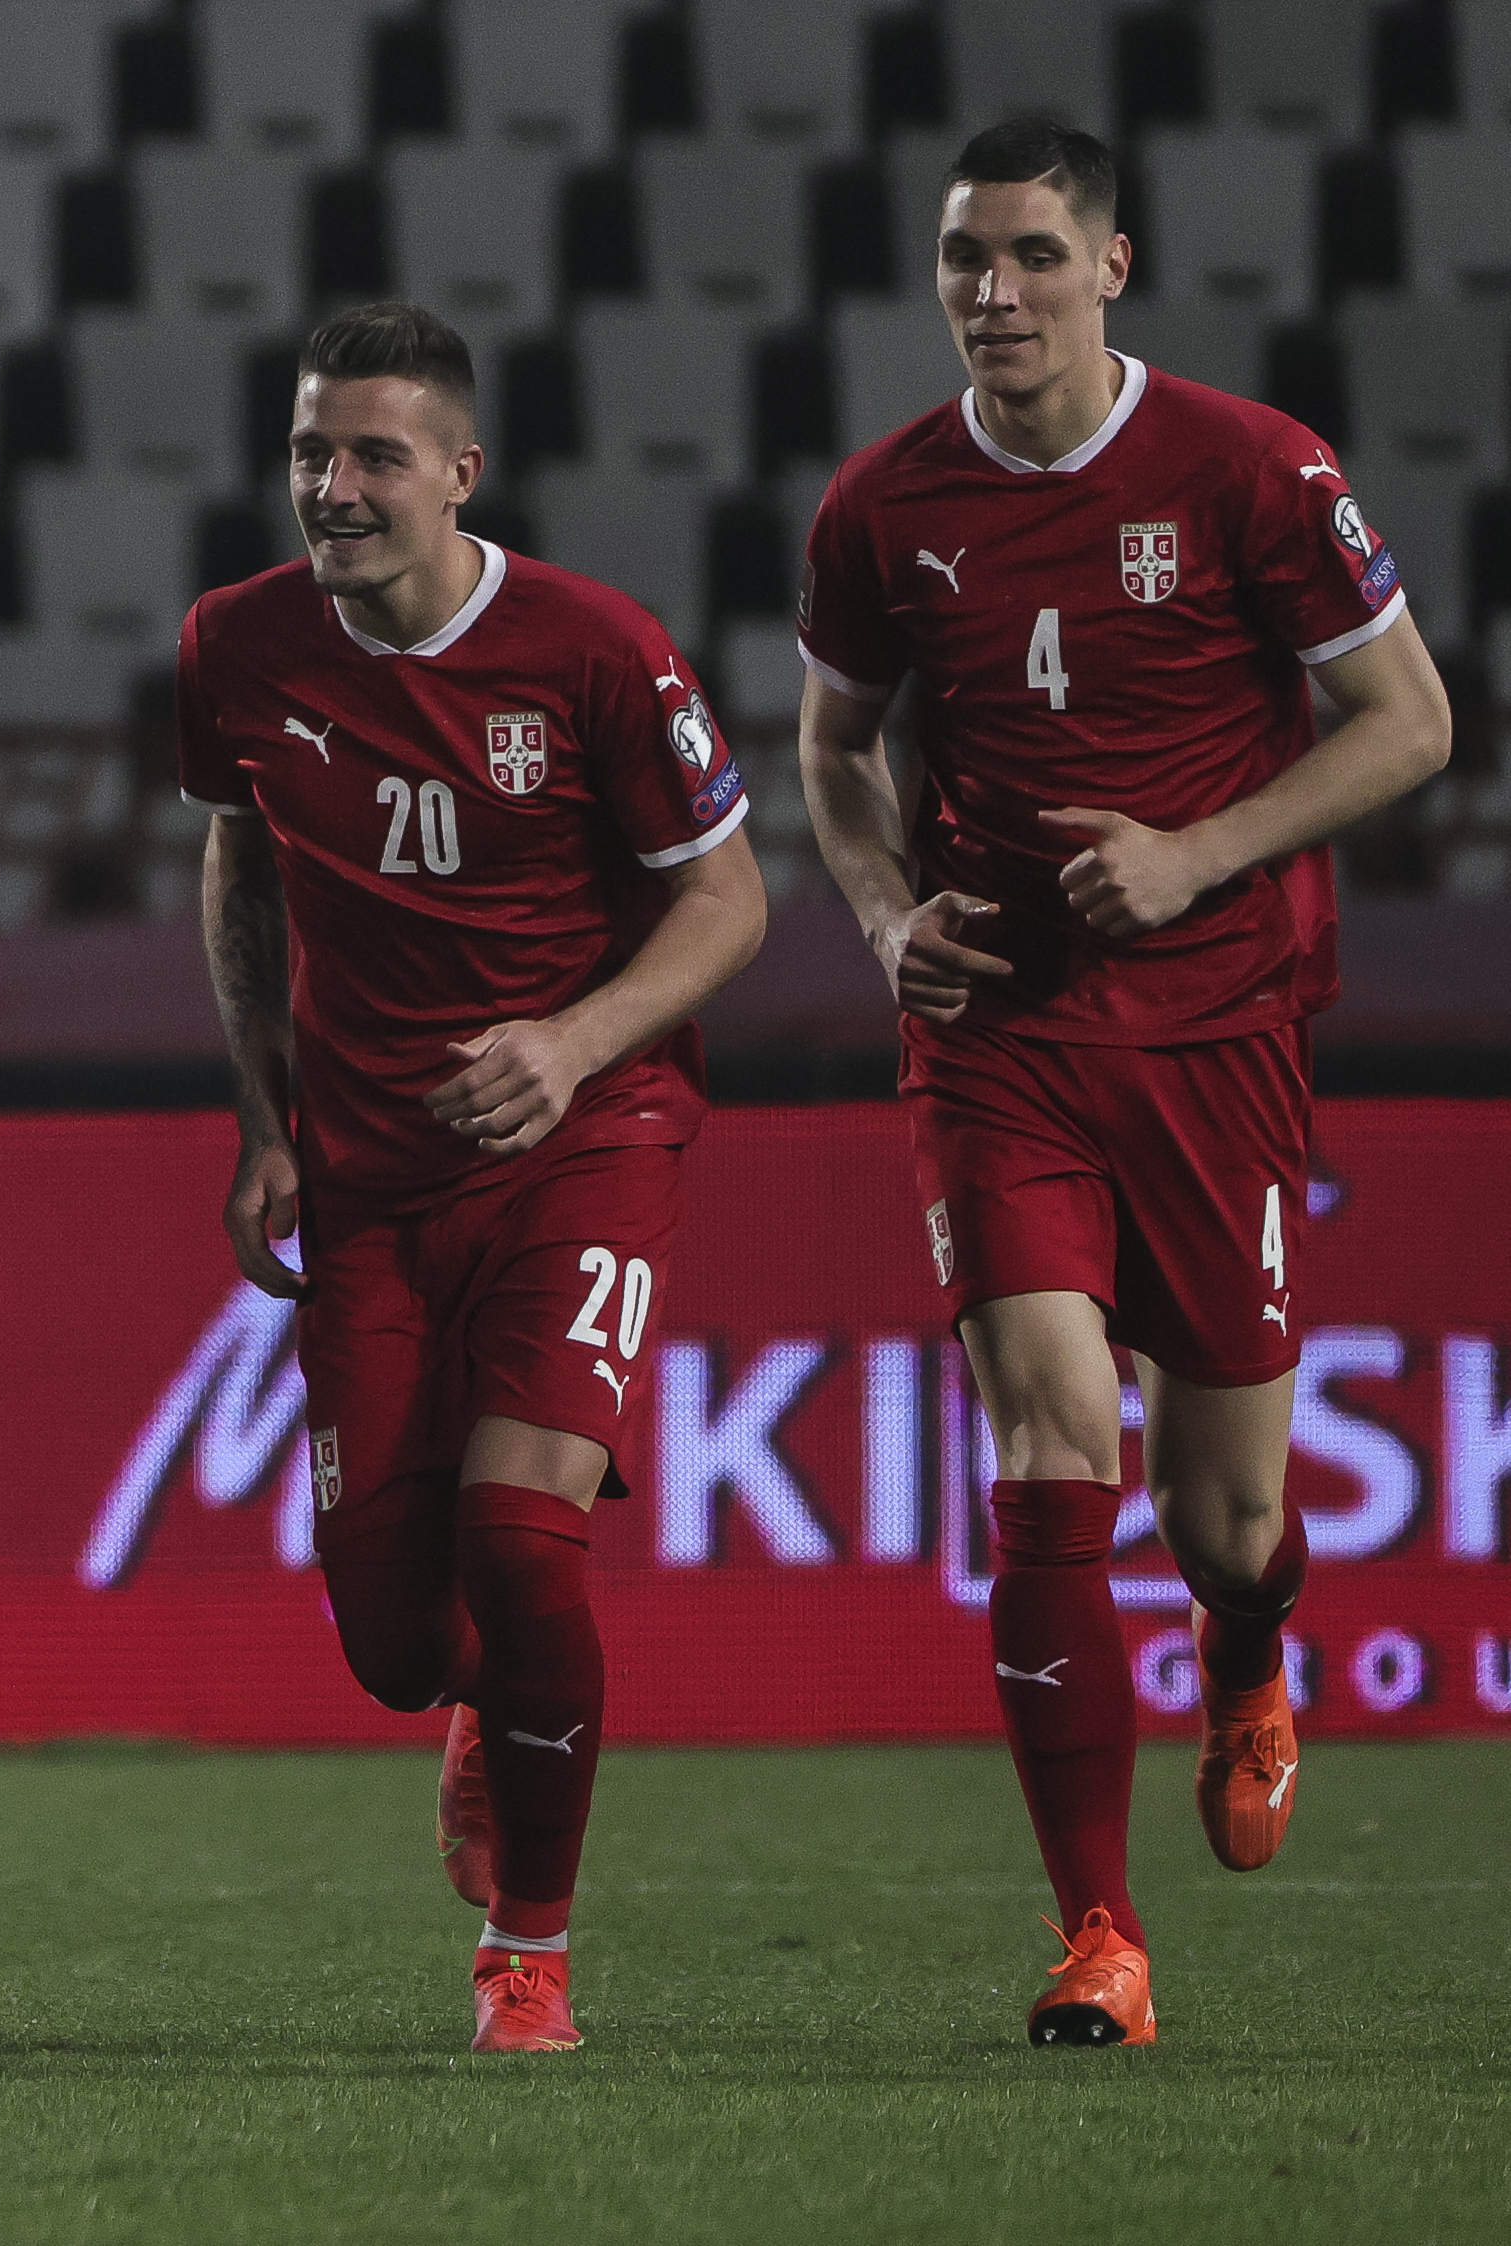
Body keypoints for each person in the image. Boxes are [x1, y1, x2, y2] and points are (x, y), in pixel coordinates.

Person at [796, 119, 1450, 2047]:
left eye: (1028, 256)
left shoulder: (1254, 469)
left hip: (1219, 1030)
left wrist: (1199, 853)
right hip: (997, 1032)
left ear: (1111, 267)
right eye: (960, 261)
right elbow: (832, 754)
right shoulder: (880, 504)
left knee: (1225, 1516)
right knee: (1047, 1438)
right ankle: (1101, 1934)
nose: (991, 293)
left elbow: (1410, 723)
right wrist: (881, 914)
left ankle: (1248, 1653)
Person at [185, 301, 766, 2053]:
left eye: (372, 455)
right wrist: (265, 1121)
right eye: (309, 454)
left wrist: (574, 1045)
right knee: (387, 1630)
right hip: (367, 1170)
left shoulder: (595, 652)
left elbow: (730, 903)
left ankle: (531, 1955)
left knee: (525, 1540)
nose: (334, 488)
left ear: (460, 470)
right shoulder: (240, 643)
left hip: (583, 1139)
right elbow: (239, 869)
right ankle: (475, 1709)